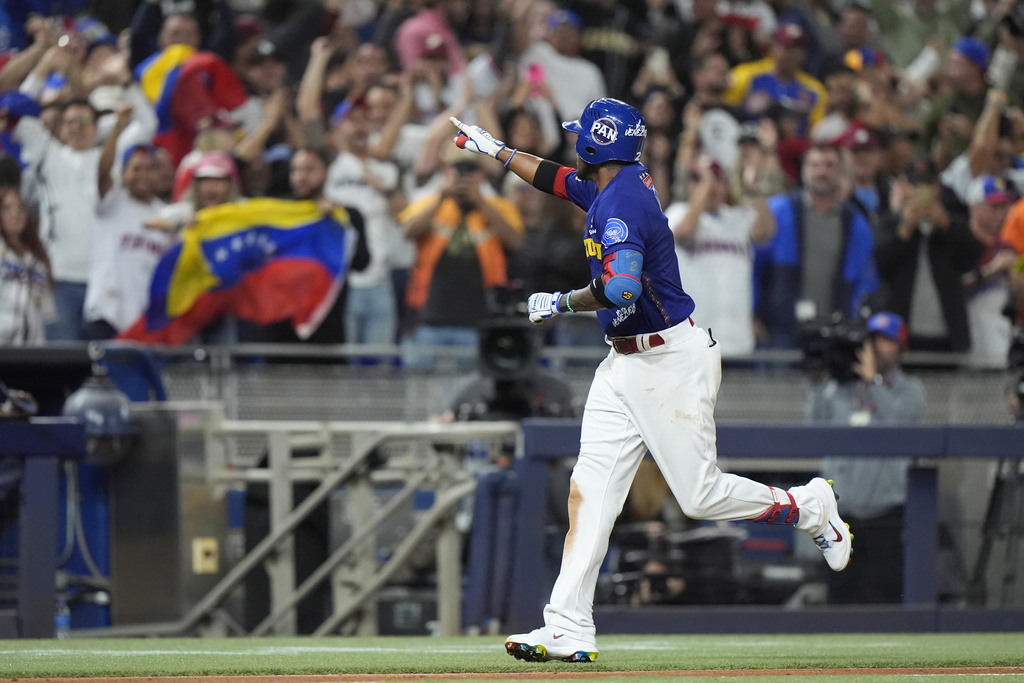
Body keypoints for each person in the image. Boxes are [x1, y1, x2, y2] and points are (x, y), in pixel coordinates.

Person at [450, 98, 852, 663]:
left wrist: (558, 302)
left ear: (598, 145)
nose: (573, 144)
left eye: (581, 136)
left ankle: (808, 507)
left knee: (699, 495)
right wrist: (496, 150)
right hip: (625, 364)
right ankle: (567, 624)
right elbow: (559, 180)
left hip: (669, 363)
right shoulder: (621, 183)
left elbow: (621, 290)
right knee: (590, 494)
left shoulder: (621, 205)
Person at [807, 311, 925, 603]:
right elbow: (813, 425)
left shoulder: (910, 389)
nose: (878, 346)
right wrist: (819, 379)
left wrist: (873, 382)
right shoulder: (840, 388)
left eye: (887, 340)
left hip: (886, 511)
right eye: (873, 339)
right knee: (840, 596)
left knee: (886, 593)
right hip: (841, 514)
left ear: (901, 347)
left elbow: (900, 422)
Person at [756, 143, 879, 348]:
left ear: (841, 172)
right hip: (780, 329)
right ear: (803, 171)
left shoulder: (856, 223)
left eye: (829, 165)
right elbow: (754, 269)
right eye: (814, 165)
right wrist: (752, 313)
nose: (821, 171)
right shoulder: (778, 211)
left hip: (834, 332)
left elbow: (864, 280)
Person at [0, 188, 55, 345]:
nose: (15, 214)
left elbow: (46, 313)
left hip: (30, 352)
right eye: (7, 208)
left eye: (20, 208)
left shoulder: (37, 261)